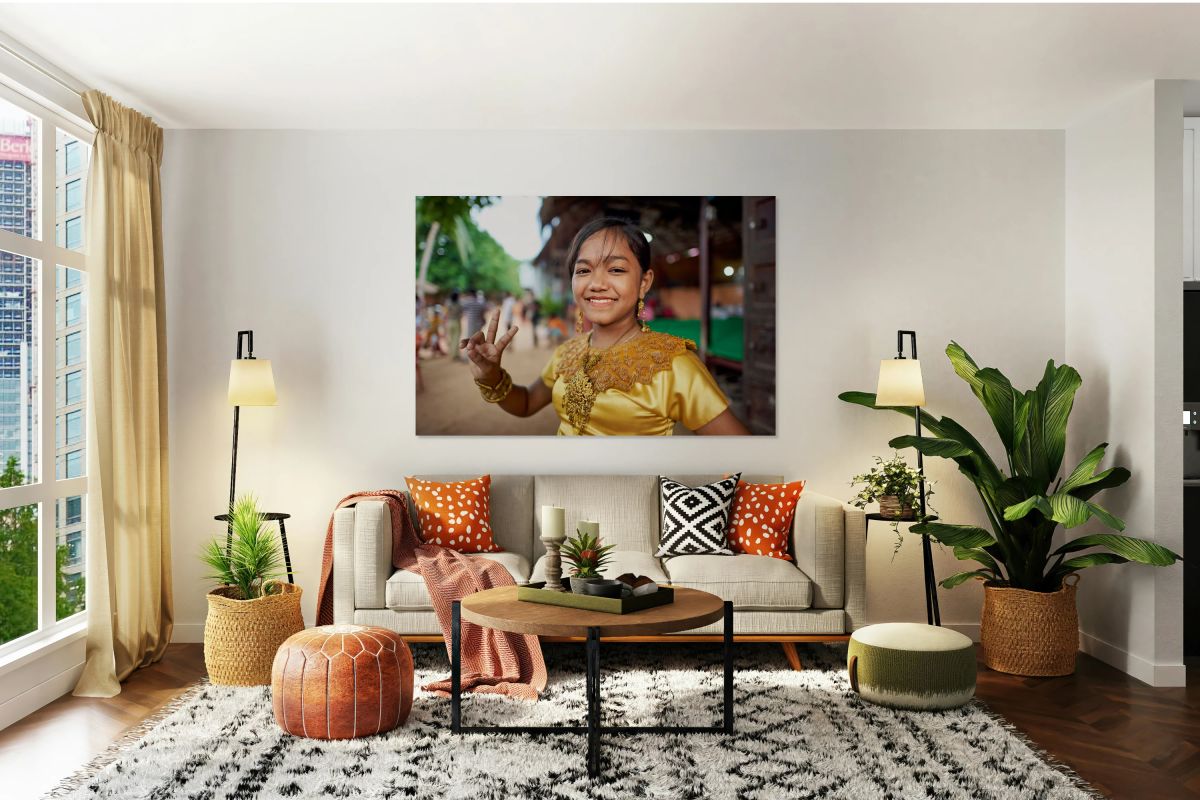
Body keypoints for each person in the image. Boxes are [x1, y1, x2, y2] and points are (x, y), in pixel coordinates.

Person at [459, 217, 750, 436]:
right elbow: (524, 404)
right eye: (583, 270)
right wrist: (491, 375)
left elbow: (745, 458)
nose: (597, 284)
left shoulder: (674, 365)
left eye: (616, 269)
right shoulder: (567, 353)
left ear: (644, 282)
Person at [446, 291, 463, 361]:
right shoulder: (459, 304)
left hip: (449, 322)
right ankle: (455, 355)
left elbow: (447, 313)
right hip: (456, 322)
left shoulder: (448, 304)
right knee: (456, 339)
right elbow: (461, 313)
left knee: (451, 338)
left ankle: (451, 353)